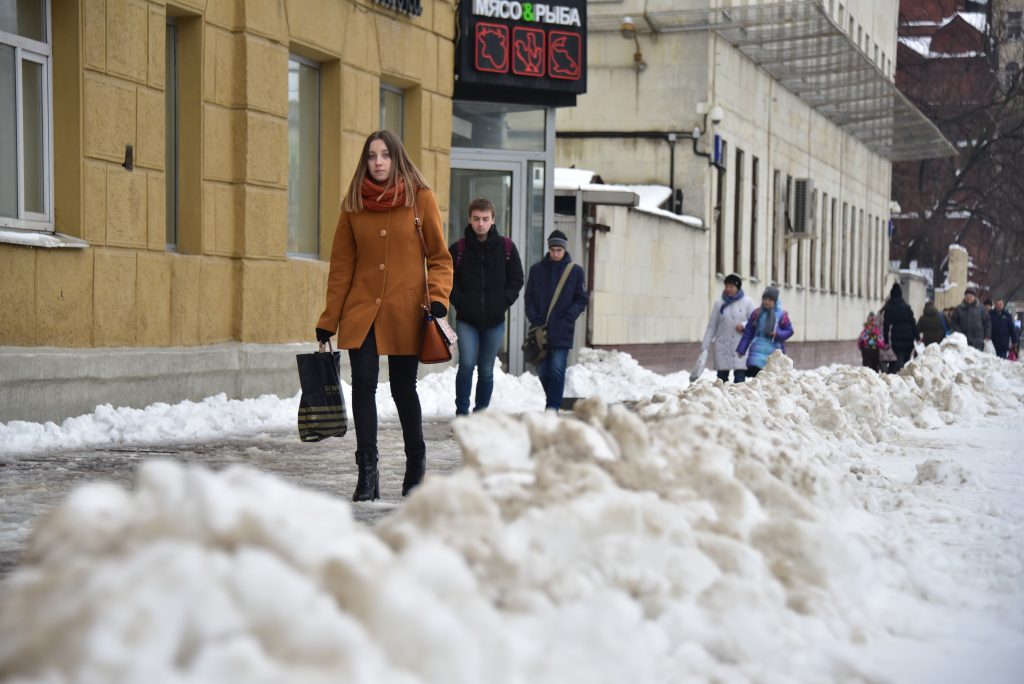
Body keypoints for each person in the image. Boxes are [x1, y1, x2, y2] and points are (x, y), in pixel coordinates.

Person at [315, 130, 453, 502]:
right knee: (363, 384)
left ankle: (415, 465)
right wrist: (329, 318)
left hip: (406, 310)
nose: (378, 162)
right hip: (362, 310)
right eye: (372, 155)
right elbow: (341, 267)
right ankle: (367, 472)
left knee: (402, 387)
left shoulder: (420, 199)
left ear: (396, 159)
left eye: (385, 155)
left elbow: (440, 258)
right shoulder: (352, 205)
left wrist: (438, 299)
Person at [448, 198, 525, 415]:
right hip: (467, 321)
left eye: (485, 219)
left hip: (495, 321)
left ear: (493, 220)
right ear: (469, 220)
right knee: (466, 366)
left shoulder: (507, 248)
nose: (480, 224)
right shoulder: (458, 249)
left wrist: (503, 300)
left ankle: (481, 413)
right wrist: (460, 301)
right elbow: (447, 280)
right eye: (476, 219)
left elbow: (516, 278)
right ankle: (462, 413)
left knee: (486, 371)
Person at [524, 230, 588, 412]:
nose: (555, 253)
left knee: (557, 369)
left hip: (562, 329)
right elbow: (529, 298)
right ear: (549, 249)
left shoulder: (575, 272)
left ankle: (552, 409)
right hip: (539, 330)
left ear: (564, 249)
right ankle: (553, 402)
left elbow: (581, 299)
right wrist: (534, 318)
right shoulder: (536, 270)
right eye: (553, 249)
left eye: (559, 250)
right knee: (543, 370)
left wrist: (569, 317)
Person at [698, 273, 755, 383]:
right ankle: (722, 399)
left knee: (739, 381)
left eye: (731, 287)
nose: (728, 289)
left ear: (737, 287)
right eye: (726, 286)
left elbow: (755, 321)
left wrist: (743, 325)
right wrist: (705, 346)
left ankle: (738, 400)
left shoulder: (747, 302)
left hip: (740, 346)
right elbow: (712, 326)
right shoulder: (719, 303)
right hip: (722, 345)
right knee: (721, 381)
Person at [736, 286, 793, 377]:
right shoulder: (757, 313)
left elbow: (789, 331)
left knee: (771, 376)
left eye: (770, 300)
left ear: (775, 301)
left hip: (774, 349)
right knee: (756, 375)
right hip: (757, 350)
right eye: (764, 299)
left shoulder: (782, 316)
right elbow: (748, 332)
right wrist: (742, 349)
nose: (766, 302)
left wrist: (778, 334)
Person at [881, 283, 917, 372]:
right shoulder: (906, 307)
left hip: (896, 336)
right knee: (906, 358)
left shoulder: (889, 308)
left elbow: (886, 325)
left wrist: (885, 340)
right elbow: (913, 322)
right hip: (909, 336)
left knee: (899, 356)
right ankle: (904, 374)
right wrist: (917, 336)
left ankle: (900, 375)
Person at [949, 286, 991, 350]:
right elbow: (953, 323)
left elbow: (987, 322)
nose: (969, 297)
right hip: (963, 342)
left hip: (978, 342)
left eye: (971, 295)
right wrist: (959, 332)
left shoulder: (981, 308)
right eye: (967, 295)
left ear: (974, 297)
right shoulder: (959, 309)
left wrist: (987, 335)